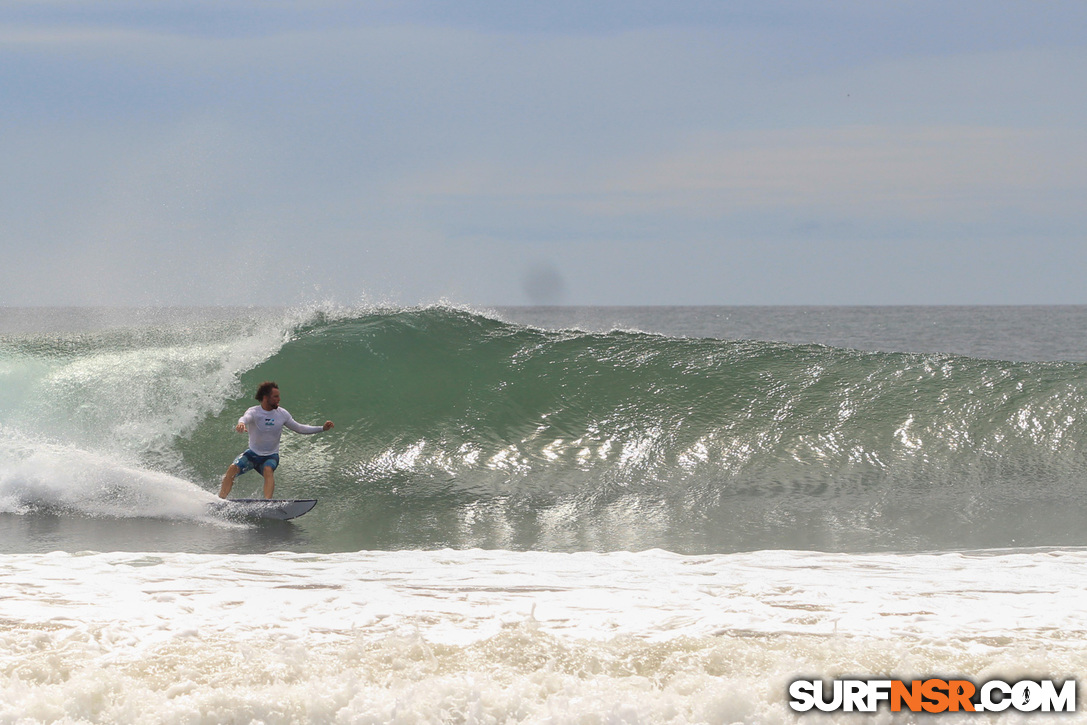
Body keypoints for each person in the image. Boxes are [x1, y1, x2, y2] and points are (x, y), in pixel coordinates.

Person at [219, 381, 334, 499]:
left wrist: (322, 428)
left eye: (278, 396)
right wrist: (241, 424)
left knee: (268, 470)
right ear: (265, 397)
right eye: (275, 396)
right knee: (232, 469)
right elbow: (245, 418)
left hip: (271, 456)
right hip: (252, 454)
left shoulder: (282, 414)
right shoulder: (254, 412)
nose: (279, 399)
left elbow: (299, 428)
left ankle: (267, 503)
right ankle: (220, 500)